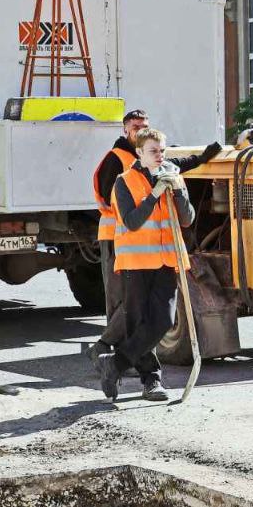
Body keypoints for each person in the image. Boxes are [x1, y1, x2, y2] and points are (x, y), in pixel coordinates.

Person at [98, 128, 221, 402]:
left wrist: (177, 191)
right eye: (153, 151)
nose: (159, 156)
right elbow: (132, 221)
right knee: (137, 322)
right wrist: (155, 193)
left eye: (162, 150)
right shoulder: (123, 182)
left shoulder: (171, 175)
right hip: (136, 262)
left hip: (166, 260)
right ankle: (151, 380)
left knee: (164, 320)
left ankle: (114, 363)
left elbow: (186, 218)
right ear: (139, 153)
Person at [87, 109, 148, 369]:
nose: (140, 130)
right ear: (125, 130)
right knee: (120, 299)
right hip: (115, 238)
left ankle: (111, 353)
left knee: (133, 299)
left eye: (144, 126)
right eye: (136, 127)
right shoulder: (117, 158)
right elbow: (108, 195)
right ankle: (108, 352)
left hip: (133, 240)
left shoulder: (143, 157)